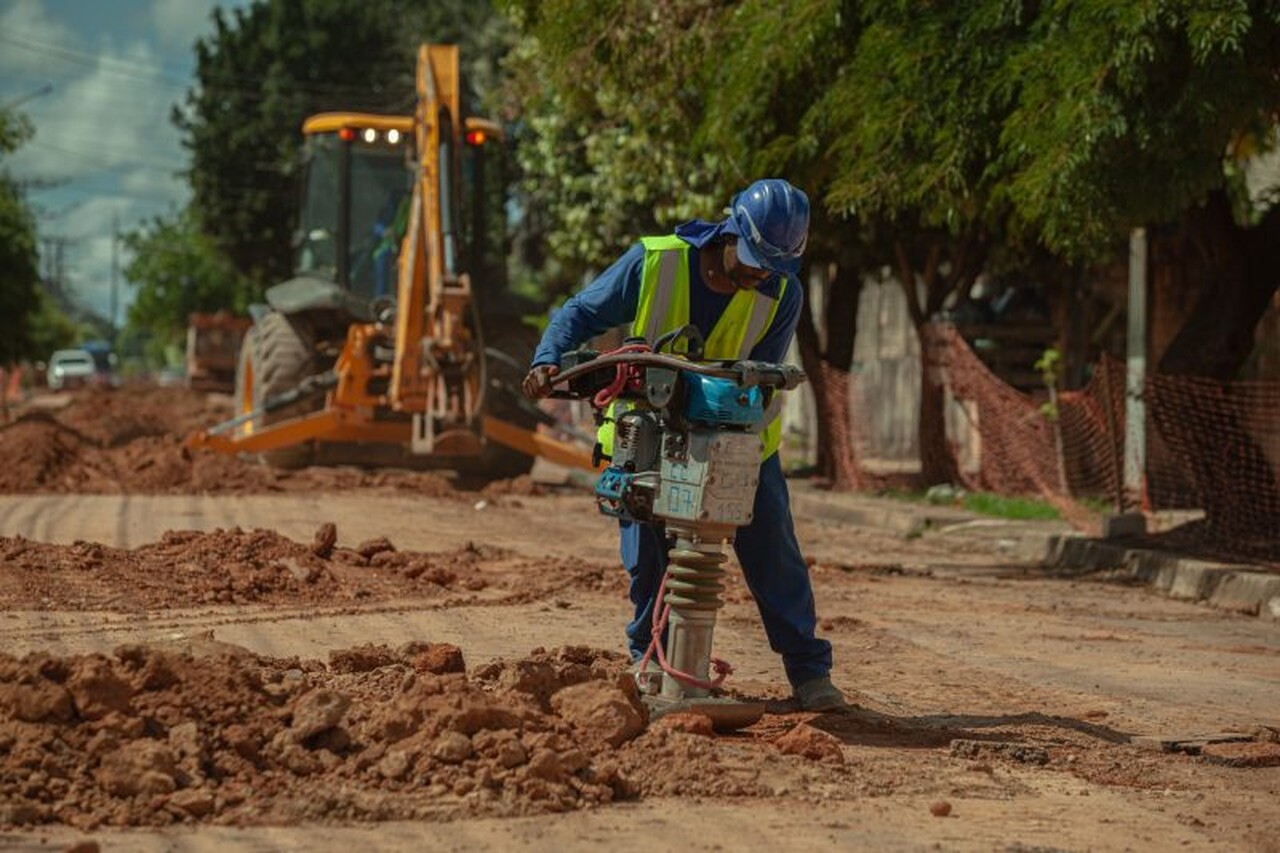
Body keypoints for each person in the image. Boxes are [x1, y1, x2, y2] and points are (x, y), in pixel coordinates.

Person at [522, 178, 847, 712]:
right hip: (648, 432)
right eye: (754, 260)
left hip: (739, 438)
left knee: (774, 555)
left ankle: (810, 673)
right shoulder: (656, 262)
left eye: (773, 266)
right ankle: (650, 663)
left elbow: (762, 373)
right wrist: (547, 358)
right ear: (729, 232)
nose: (760, 275)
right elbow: (581, 312)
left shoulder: (783, 291)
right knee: (649, 560)